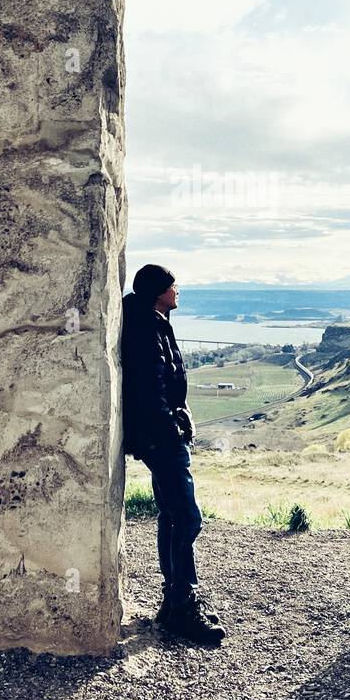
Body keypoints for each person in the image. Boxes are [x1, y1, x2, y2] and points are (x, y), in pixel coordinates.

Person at [121, 264, 225, 646]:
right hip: (161, 439)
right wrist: (172, 430)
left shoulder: (152, 320)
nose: (177, 289)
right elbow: (150, 389)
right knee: (187, 517)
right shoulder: (147, 327)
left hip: (160, 435)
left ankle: (176, 602)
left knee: (172, 514)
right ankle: (181, 604)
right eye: (172, 285)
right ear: (158, 292)